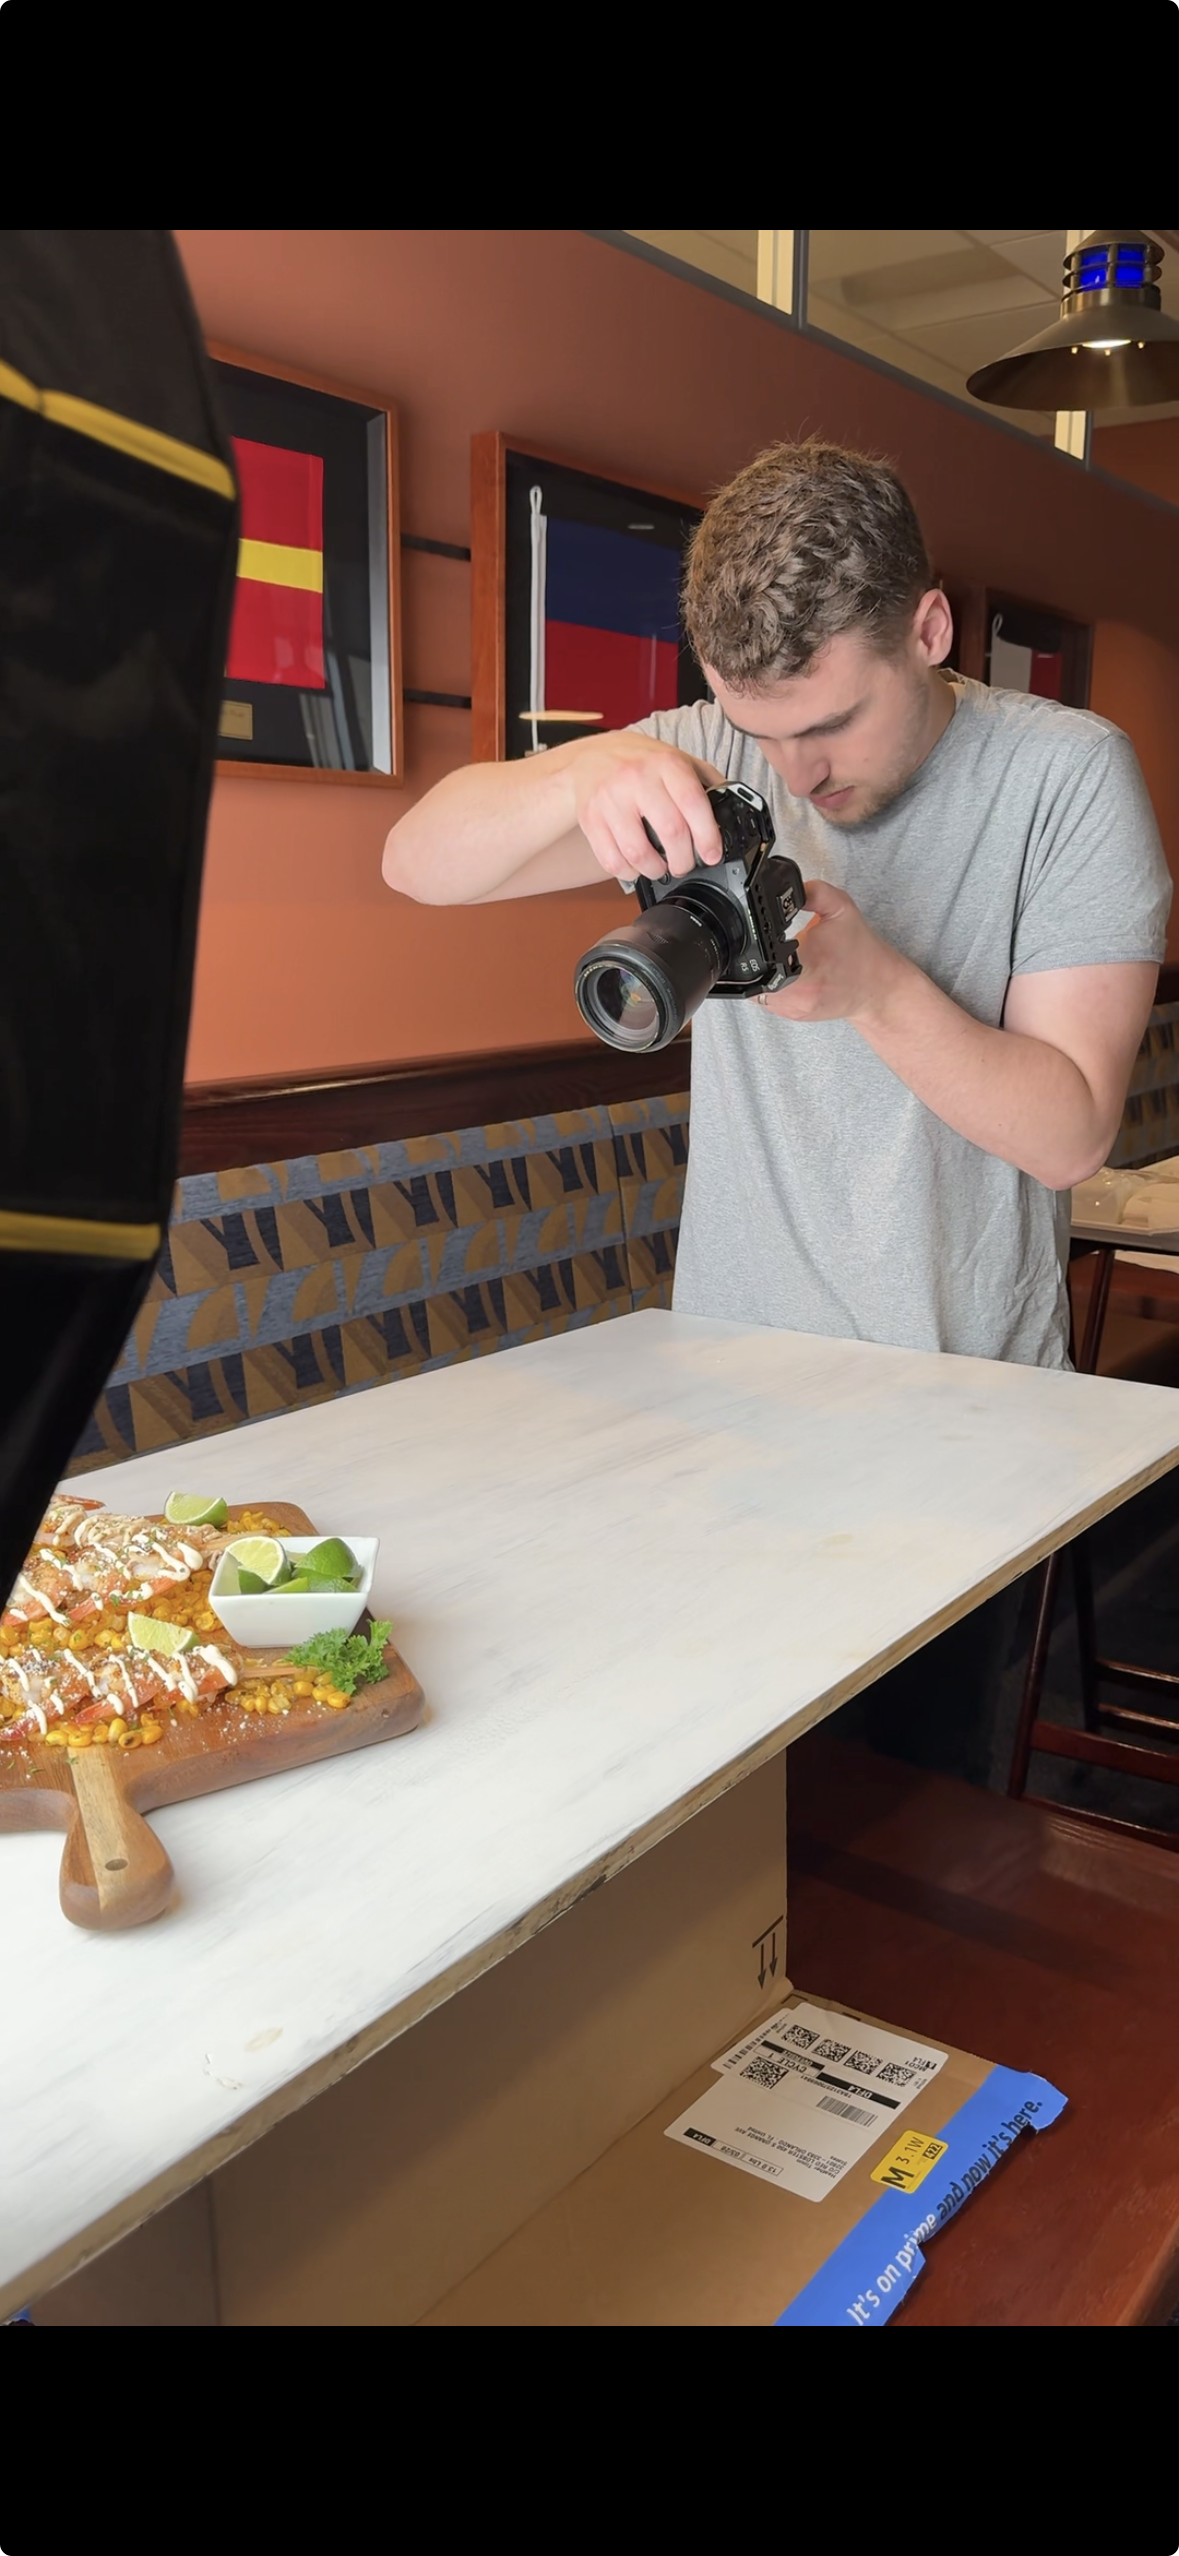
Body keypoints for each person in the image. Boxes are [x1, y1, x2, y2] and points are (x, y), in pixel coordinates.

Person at [383, 440, 1172, 1779]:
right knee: (727, 1841)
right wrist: (580, 777)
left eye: (826, 726)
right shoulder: (708, 759)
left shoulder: (1065, 777)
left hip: (968, 1424)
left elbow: (1068, 1131)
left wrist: (876, 990)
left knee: (917, 1849)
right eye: (759, 732)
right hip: (726, 1414)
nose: (792, 780)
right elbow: (418, 863)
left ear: (925, 629)